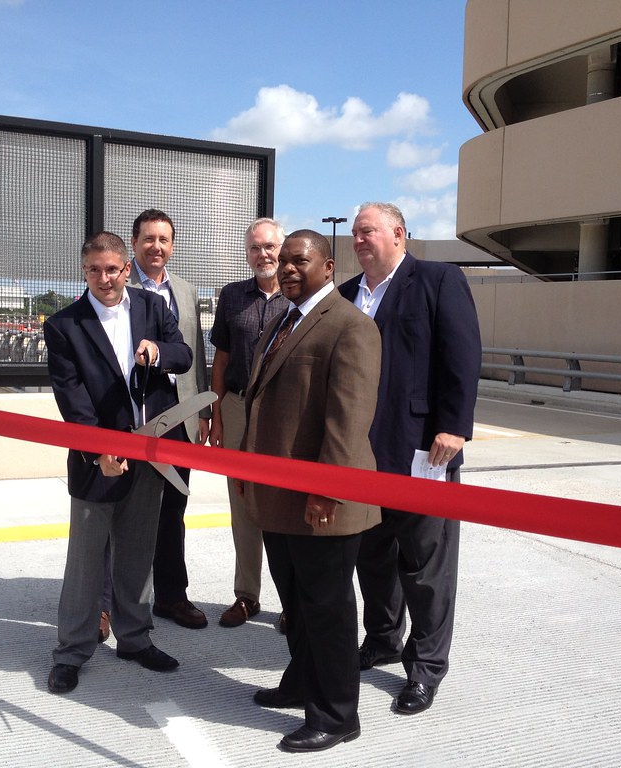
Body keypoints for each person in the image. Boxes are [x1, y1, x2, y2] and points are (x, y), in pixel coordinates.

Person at [238, 229, 381, 753]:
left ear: (329, 265)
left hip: (323, 502)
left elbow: (347, 422)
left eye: (302, 261)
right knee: (295, 604)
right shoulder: (284, 318)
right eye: (286, 261)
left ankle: (337, 714)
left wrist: (328, 490)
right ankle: (301, 682)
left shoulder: (350, 327)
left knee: (328, 608)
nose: (290, 269)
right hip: (279, 498)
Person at [338, 202, 481, 715]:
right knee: (371, 556)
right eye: (355, 232)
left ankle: (425, 668)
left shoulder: (438, 280)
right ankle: (381, 638)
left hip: (424, 449)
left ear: (398, 233)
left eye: (367, 231)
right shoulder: (346, 295)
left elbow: (462, 354)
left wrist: (454, 426)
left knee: (426, 566)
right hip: (362, 455)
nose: (358, 240)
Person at [43, 231, 193, 695]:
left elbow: (184, 357)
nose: (104, 278)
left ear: (127, 268)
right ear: (83, 271)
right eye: (94, 270)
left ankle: (133, 638)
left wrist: (158, 352)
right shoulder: (64, 325)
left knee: (137, 555)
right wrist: (97, 451)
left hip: (149, 454)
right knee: (86, 563)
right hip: (98, 459)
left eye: (112, 269)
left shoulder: (152, 308)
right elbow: (73, 398)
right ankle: (72, 651)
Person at [127, 208, 211, 629]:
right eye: (148, 239)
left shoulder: (185, 289)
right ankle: (116, 601)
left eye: (164, 239)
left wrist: (205, 413)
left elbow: (195, 356)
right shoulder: (116, 288)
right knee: (125, 512)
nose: (156, 246)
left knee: (173, 511)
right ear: (134, 243)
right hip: (135, 415)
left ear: (172, 245)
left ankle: (171, 596)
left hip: (182, 419)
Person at [208, 217, 287, 628]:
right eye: (255, 248)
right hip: (237, 407)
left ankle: (293, 601)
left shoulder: (299, 298)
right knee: (242, 505)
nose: (263, 255)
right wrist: (217, 415)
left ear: (283, 248)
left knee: (284, 504)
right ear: (247, 253)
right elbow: (220, 360)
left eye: (269, 246)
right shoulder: (232, 297)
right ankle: (246, 596)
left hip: (282, 414)